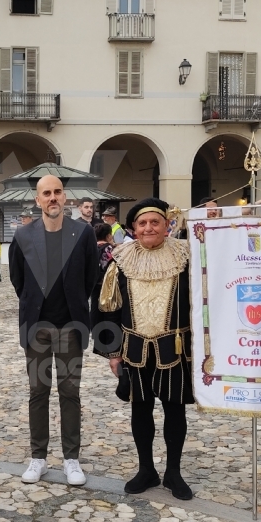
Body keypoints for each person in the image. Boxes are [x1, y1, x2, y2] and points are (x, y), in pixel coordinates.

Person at [95, 199, 195, 499]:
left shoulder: (187, 257)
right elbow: (106, 309)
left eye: (155, 222)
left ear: (167, 226)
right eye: (142, 223)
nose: (149, 227)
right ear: (134, 229)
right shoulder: (121, 260)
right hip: (133, 349)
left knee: (174, 411)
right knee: (140, 410)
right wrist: (112, 352)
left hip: (175, 348)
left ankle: (174, 473)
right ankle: (146, 469)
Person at [8, 175, 101, 486]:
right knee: (38, 392)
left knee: (69, 393)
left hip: (70, 328)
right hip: (37, 327)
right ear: (38, 200)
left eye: (57, 192)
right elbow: (19, 281)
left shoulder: (83, 233)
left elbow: (90, 278)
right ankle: (38, 457)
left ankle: (71, 459)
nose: (52, 198)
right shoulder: (23, 235)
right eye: (46, 193)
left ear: (65, 197)